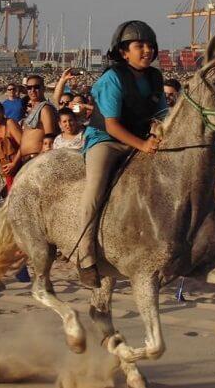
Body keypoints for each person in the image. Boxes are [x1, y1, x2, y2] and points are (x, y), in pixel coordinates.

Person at [78, 20, 166, 287]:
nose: (147, 51)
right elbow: (112, 125)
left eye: (150, 46)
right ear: (124, 52)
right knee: (94, 192)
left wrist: (158, 132)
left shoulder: (155, 77)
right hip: (106, 140)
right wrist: (143, 145)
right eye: (139, 46)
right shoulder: (111, 79)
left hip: (141, 139)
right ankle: (85, 258)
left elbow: (162, 114)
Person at [19, 75, 58, 163]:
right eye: (29, 87)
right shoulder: (33, 109)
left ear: (43, 88)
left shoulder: (45, 109)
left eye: (36, 87)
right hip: (27, 159)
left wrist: (39, 159)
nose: (32, 90)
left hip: (37, 158)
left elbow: (50, 138)